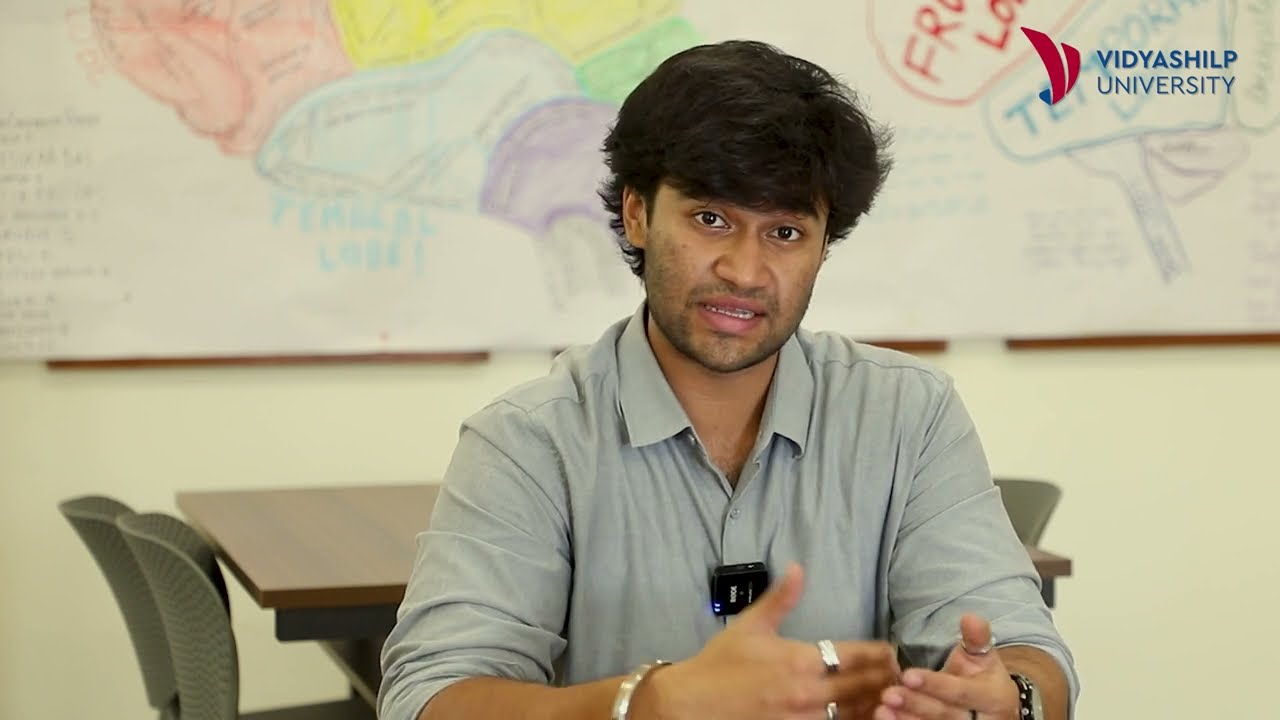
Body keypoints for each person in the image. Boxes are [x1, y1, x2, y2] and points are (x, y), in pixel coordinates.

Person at [378, 39, 1079, 720]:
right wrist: (651, 704)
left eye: (785, 233)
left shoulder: (908, 415)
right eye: (711, 219)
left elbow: (1027, 656)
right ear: (636, 214)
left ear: (824, 246)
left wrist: (1009, 700)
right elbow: (429, 698)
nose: (744, 272)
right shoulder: (528, 441)